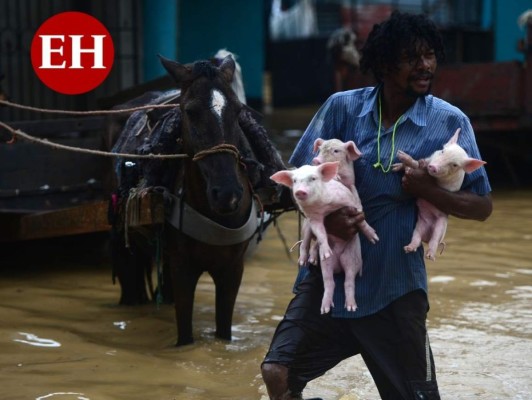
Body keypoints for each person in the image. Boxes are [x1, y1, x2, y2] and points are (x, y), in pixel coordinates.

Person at [261, 11, 493, 400]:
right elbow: (295, 181)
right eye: (411, 58)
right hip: (327, 282)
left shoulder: (449, 121)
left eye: (430, 56)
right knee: (277, 373)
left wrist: (429, 189)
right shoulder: (341, 109)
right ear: (384, 64)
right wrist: (330, 221)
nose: (425, 66)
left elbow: (482, 206)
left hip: (395, 288)